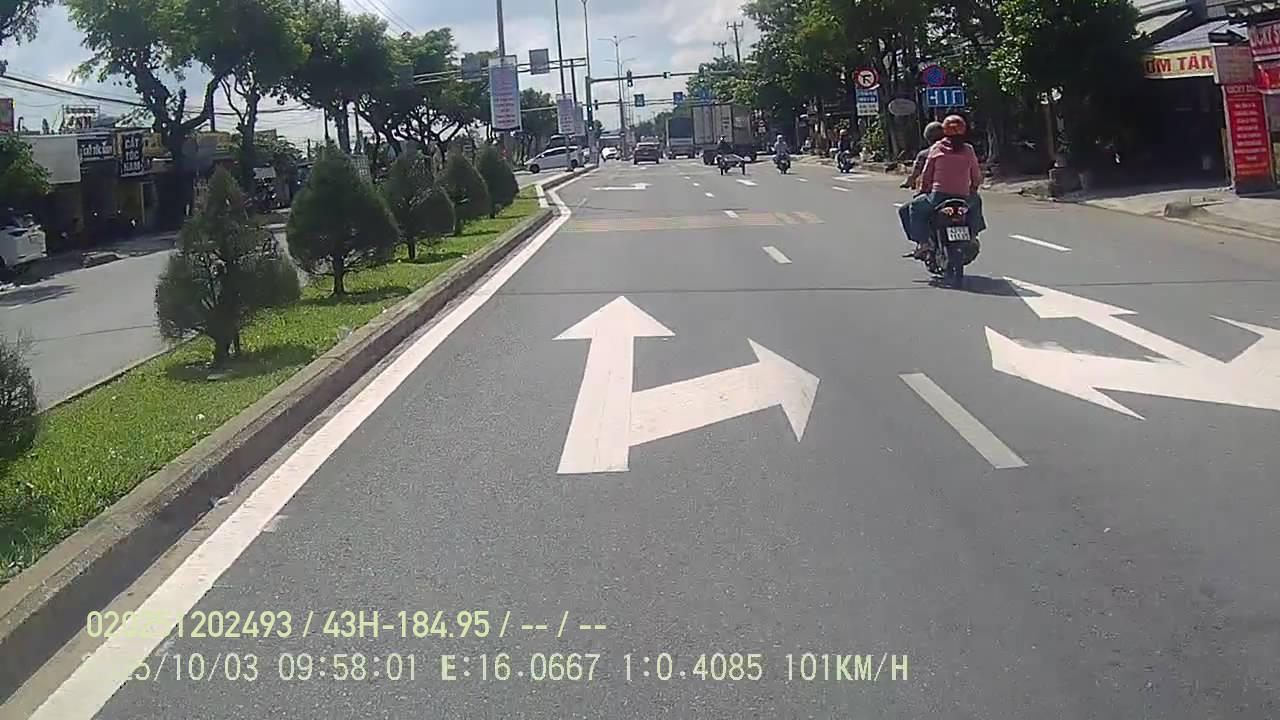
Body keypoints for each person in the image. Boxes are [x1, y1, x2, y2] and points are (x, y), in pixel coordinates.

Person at [906, 114, 986, 258]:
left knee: (915, 207)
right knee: (977, 201)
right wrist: (973, 189)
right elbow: (976, 175)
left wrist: (923, 190)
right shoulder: (968, 150)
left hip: (938, 197)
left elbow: (927, 174)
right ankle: (973, 236)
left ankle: (923, 243)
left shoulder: (936, 148)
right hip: (963, 197)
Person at [898, 121, 946, 247]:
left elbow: (919, 175)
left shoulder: (927, 154)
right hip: (963, 194)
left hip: (935, 195)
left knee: (907, 209)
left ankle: (923, 243)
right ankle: (973, 235)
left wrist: (910, 183)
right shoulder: (963, 150)